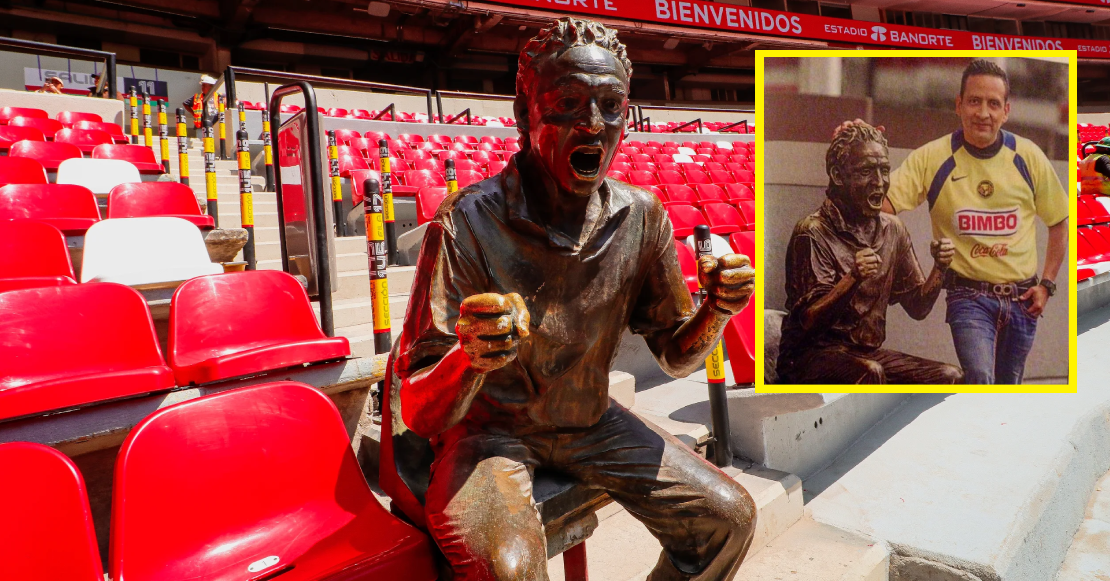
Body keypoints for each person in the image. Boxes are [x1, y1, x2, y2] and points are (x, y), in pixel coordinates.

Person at [391, 17, 757, 581]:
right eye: (569, 102)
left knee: (726, 519)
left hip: (591, 421)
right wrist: (469, 357)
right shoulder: (466, 221)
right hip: (492, 433)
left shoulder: (643, 216)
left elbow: (676, 355)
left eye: (611, 106)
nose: (593, 125)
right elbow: (415, 408)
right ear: (524, 114)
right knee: (508, 571)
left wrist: (716, 310)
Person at [884, 59, 1069, 384]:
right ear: (959, 105)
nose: (983, 112)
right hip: (968, 299)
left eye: (993, 104)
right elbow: (883, 207)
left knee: (1008, 389)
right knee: (980, 379)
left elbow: (1060, 222)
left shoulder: (1028, 157)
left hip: (1023, 301)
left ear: (1006, 111)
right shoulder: (933, 157)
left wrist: (1047, 285)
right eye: (974, 101)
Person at [777, 120, 963, 385]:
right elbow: (809, 322)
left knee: (949, 376)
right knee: (870, 371)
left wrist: (940, 268)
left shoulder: (893, 230)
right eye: (866, 171)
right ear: (838, 176)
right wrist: (853, 277)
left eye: (884, 170)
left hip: (866, 355)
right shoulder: (812, 232)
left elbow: (918, 307)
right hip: (809, 358)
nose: (879, 182)